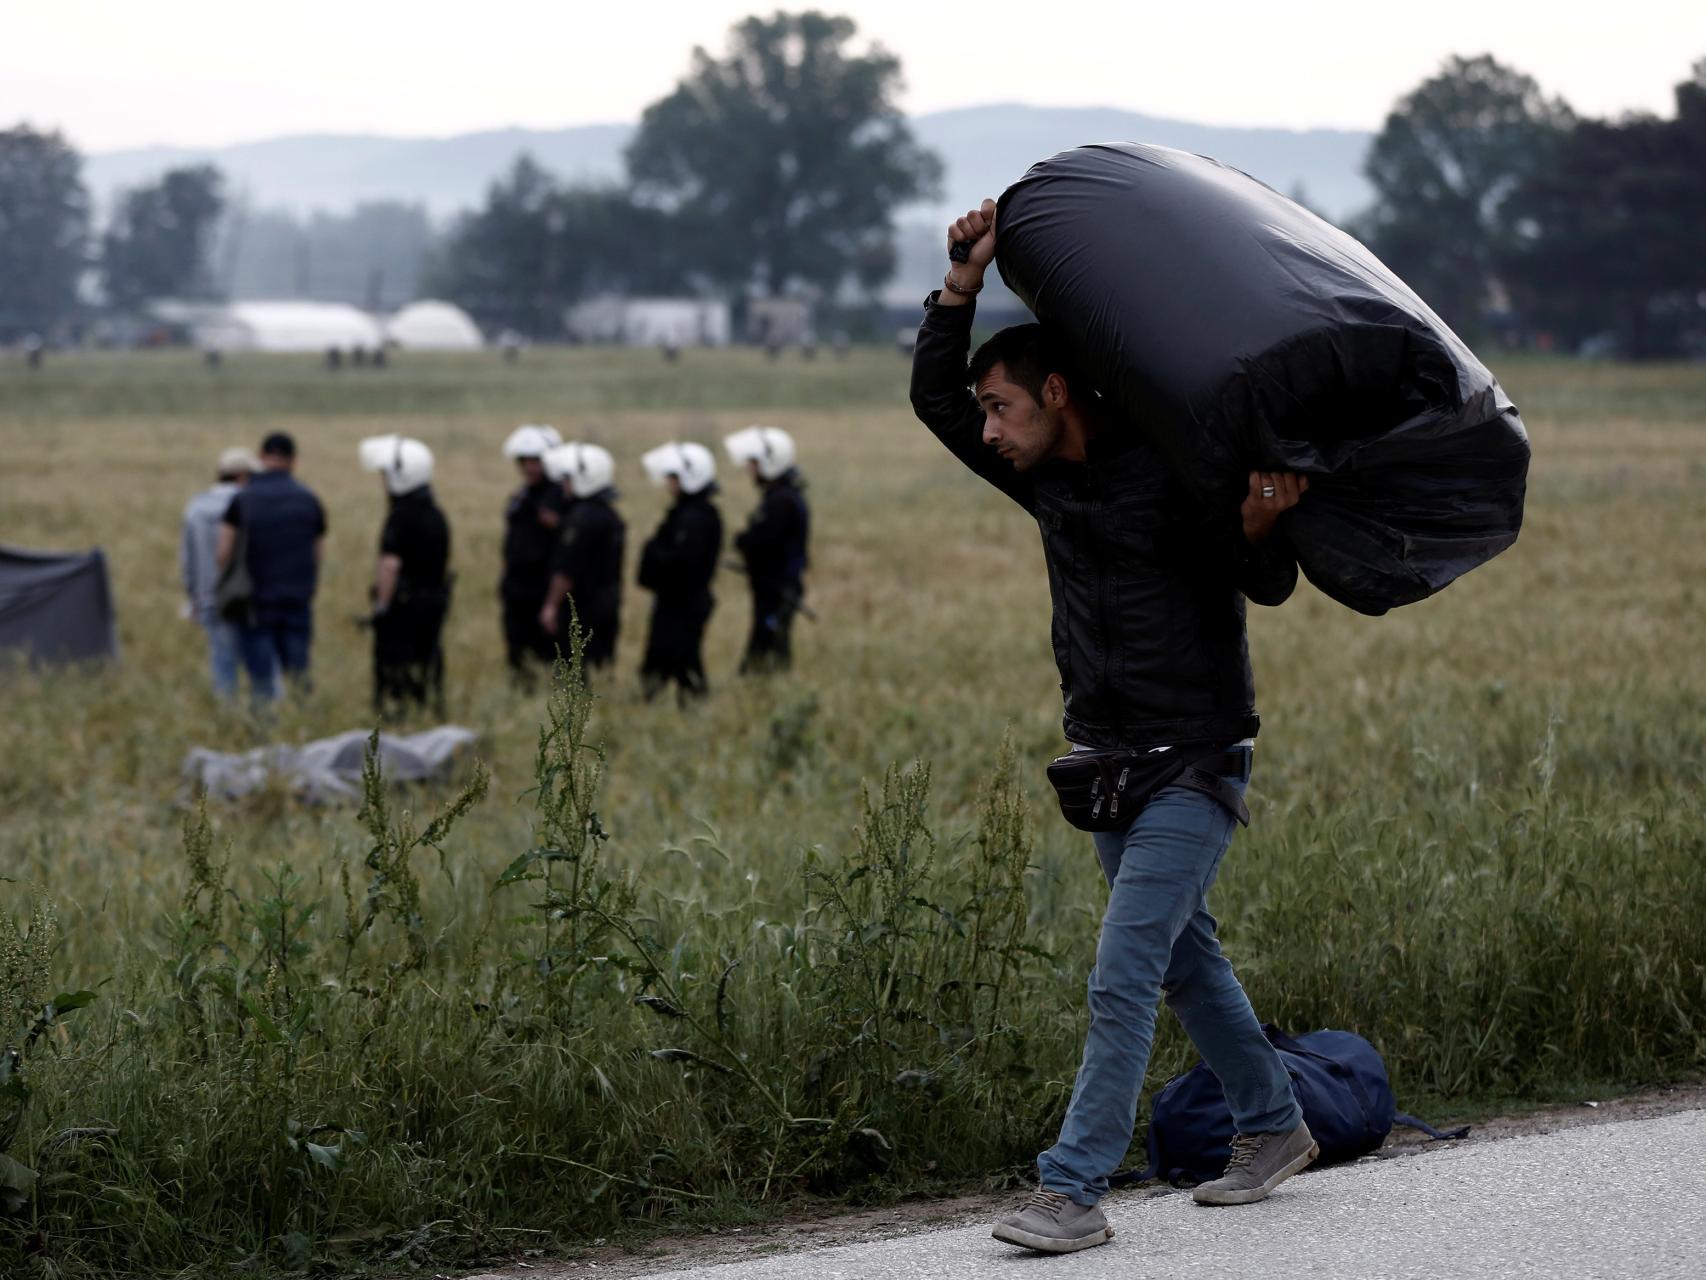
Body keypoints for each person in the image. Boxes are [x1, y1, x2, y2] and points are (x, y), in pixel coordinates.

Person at [911, 199, 1317, 1255]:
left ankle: (1073, 1190)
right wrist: (961, 286)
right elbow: (932, 401)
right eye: (984, 415)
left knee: (1125, 967)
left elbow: (1266, 581)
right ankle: (1273, 1121)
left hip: (1195, 756)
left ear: (1056, 391)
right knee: (1183, 960)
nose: (987, 432)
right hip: (1103, 762)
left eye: (1000, 408)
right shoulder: (1044, 480)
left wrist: (1260, 523)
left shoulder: (1173, 464)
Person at [217, 432, 327, 699]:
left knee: (262, 680)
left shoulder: (243, 499)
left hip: (257, 602)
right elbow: (317, 553)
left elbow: (223, 553)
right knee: (299, 673)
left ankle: (264, 724)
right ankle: (304, 718)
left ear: (261, 457)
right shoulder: (309, 499)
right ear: (293, 461)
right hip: (297, 600)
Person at [358, 435, 451, 717]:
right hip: (433, 603)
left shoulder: (400, 517)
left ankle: (399, 717)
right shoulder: (436, 514)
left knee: (396, 667)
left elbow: (390, 565)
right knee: (427, 660)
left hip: (404, 607)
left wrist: (381, 607)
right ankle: (428, 711)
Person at [636, 442, 722, 704]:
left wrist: (654, 555)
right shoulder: (687, 513)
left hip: (683, 602)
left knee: (681, 658)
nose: (669, 483)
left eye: (673, 477)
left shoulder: (695, 518)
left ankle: (686, 706)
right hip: (676, 600)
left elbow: (683, 562)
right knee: (669, 659)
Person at [723, 425, 810, 674]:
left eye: (754, 462)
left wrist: (744, 541)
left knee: (767, 648)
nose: (749, 468)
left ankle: (762, 686)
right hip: (773, 585)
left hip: (777, 587)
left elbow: (762, 541)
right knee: (768, 644)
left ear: (770, 462)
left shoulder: (780, 501)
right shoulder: (782, 496)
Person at [540, 443, 626, 675]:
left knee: (574, 671)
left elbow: (567, 570)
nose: (564, 484)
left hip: (581, 608)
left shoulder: (580, 519)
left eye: (568, 478)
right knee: (599, 668)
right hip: (607, 604)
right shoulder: (610, 516)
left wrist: (551, 605)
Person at [180, 447, 257, 698]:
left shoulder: (196, 507)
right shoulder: (251, 505)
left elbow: (188, 561)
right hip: (249, 599)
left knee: (223, 666)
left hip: (211, 598)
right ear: (243, 476)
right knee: (260, 668)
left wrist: (194, 598)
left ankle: (228, 714)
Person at [499, 423, 566, 684]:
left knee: (550, 656)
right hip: (517, 589)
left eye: (535, 460)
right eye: (524, 460)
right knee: (518, 654)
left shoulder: (560, 496)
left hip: (544, 588)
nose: (529, 467)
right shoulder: (521, 496)